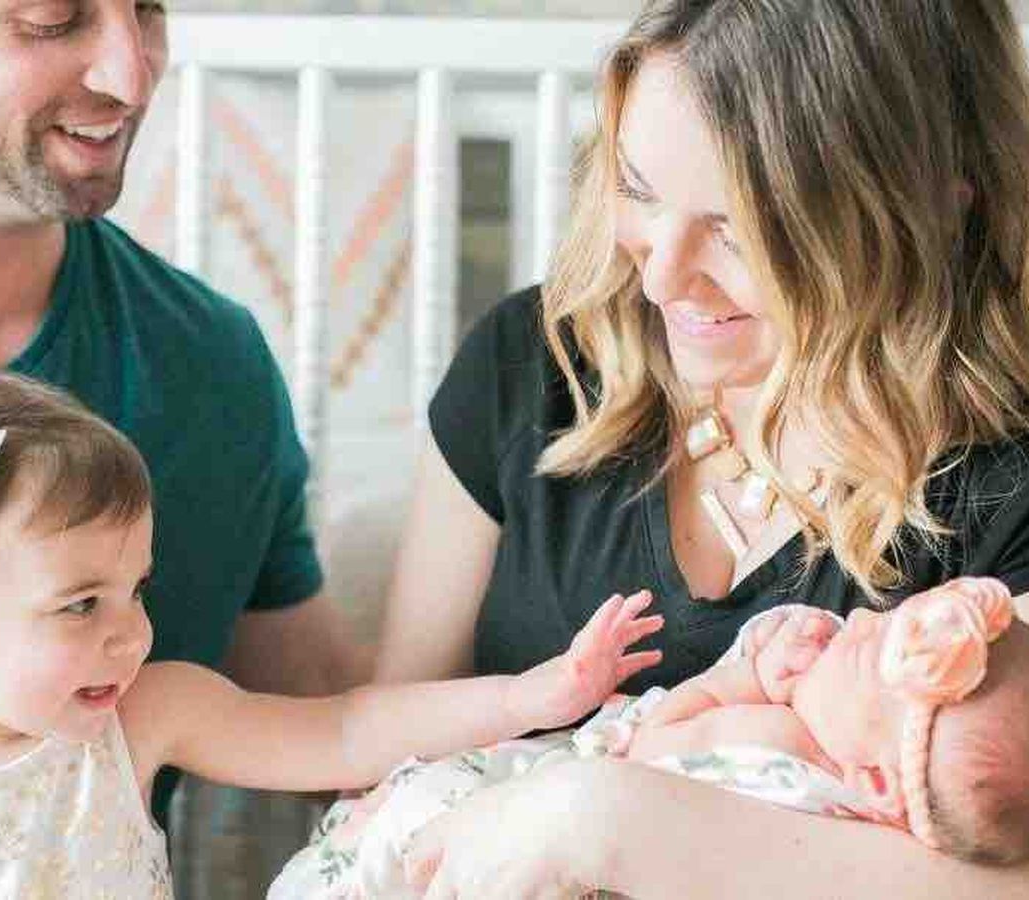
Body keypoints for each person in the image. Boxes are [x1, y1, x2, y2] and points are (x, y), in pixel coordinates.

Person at [375, 0, 1029, 896]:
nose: (659, 277)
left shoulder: (1007, 483)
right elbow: (383, 752)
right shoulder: (534, 366)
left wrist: (600, 821)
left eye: (736, 228)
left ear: (932, 213)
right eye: (640, 190)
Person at [0, 363, 666, 897]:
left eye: (136, 590)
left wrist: (530, 697)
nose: (133, 635)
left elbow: (344, 732)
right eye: (81, 604)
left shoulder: (143, 715)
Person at [0, 0, 368, 822]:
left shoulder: (212, 364)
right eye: (53, 19)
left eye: (147, 9)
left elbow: (324, 722)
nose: (131, 76)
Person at [274, 578, 1029, 898]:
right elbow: (676, 714)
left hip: (561, 845)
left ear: (875, 782)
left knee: (423, 853)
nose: (858, 620)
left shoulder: (801, 795)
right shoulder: (798, 710)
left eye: (866, 651)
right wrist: (752, 674)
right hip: (546, 774)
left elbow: (655, 765)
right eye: (883, 618)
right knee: (405, 819)